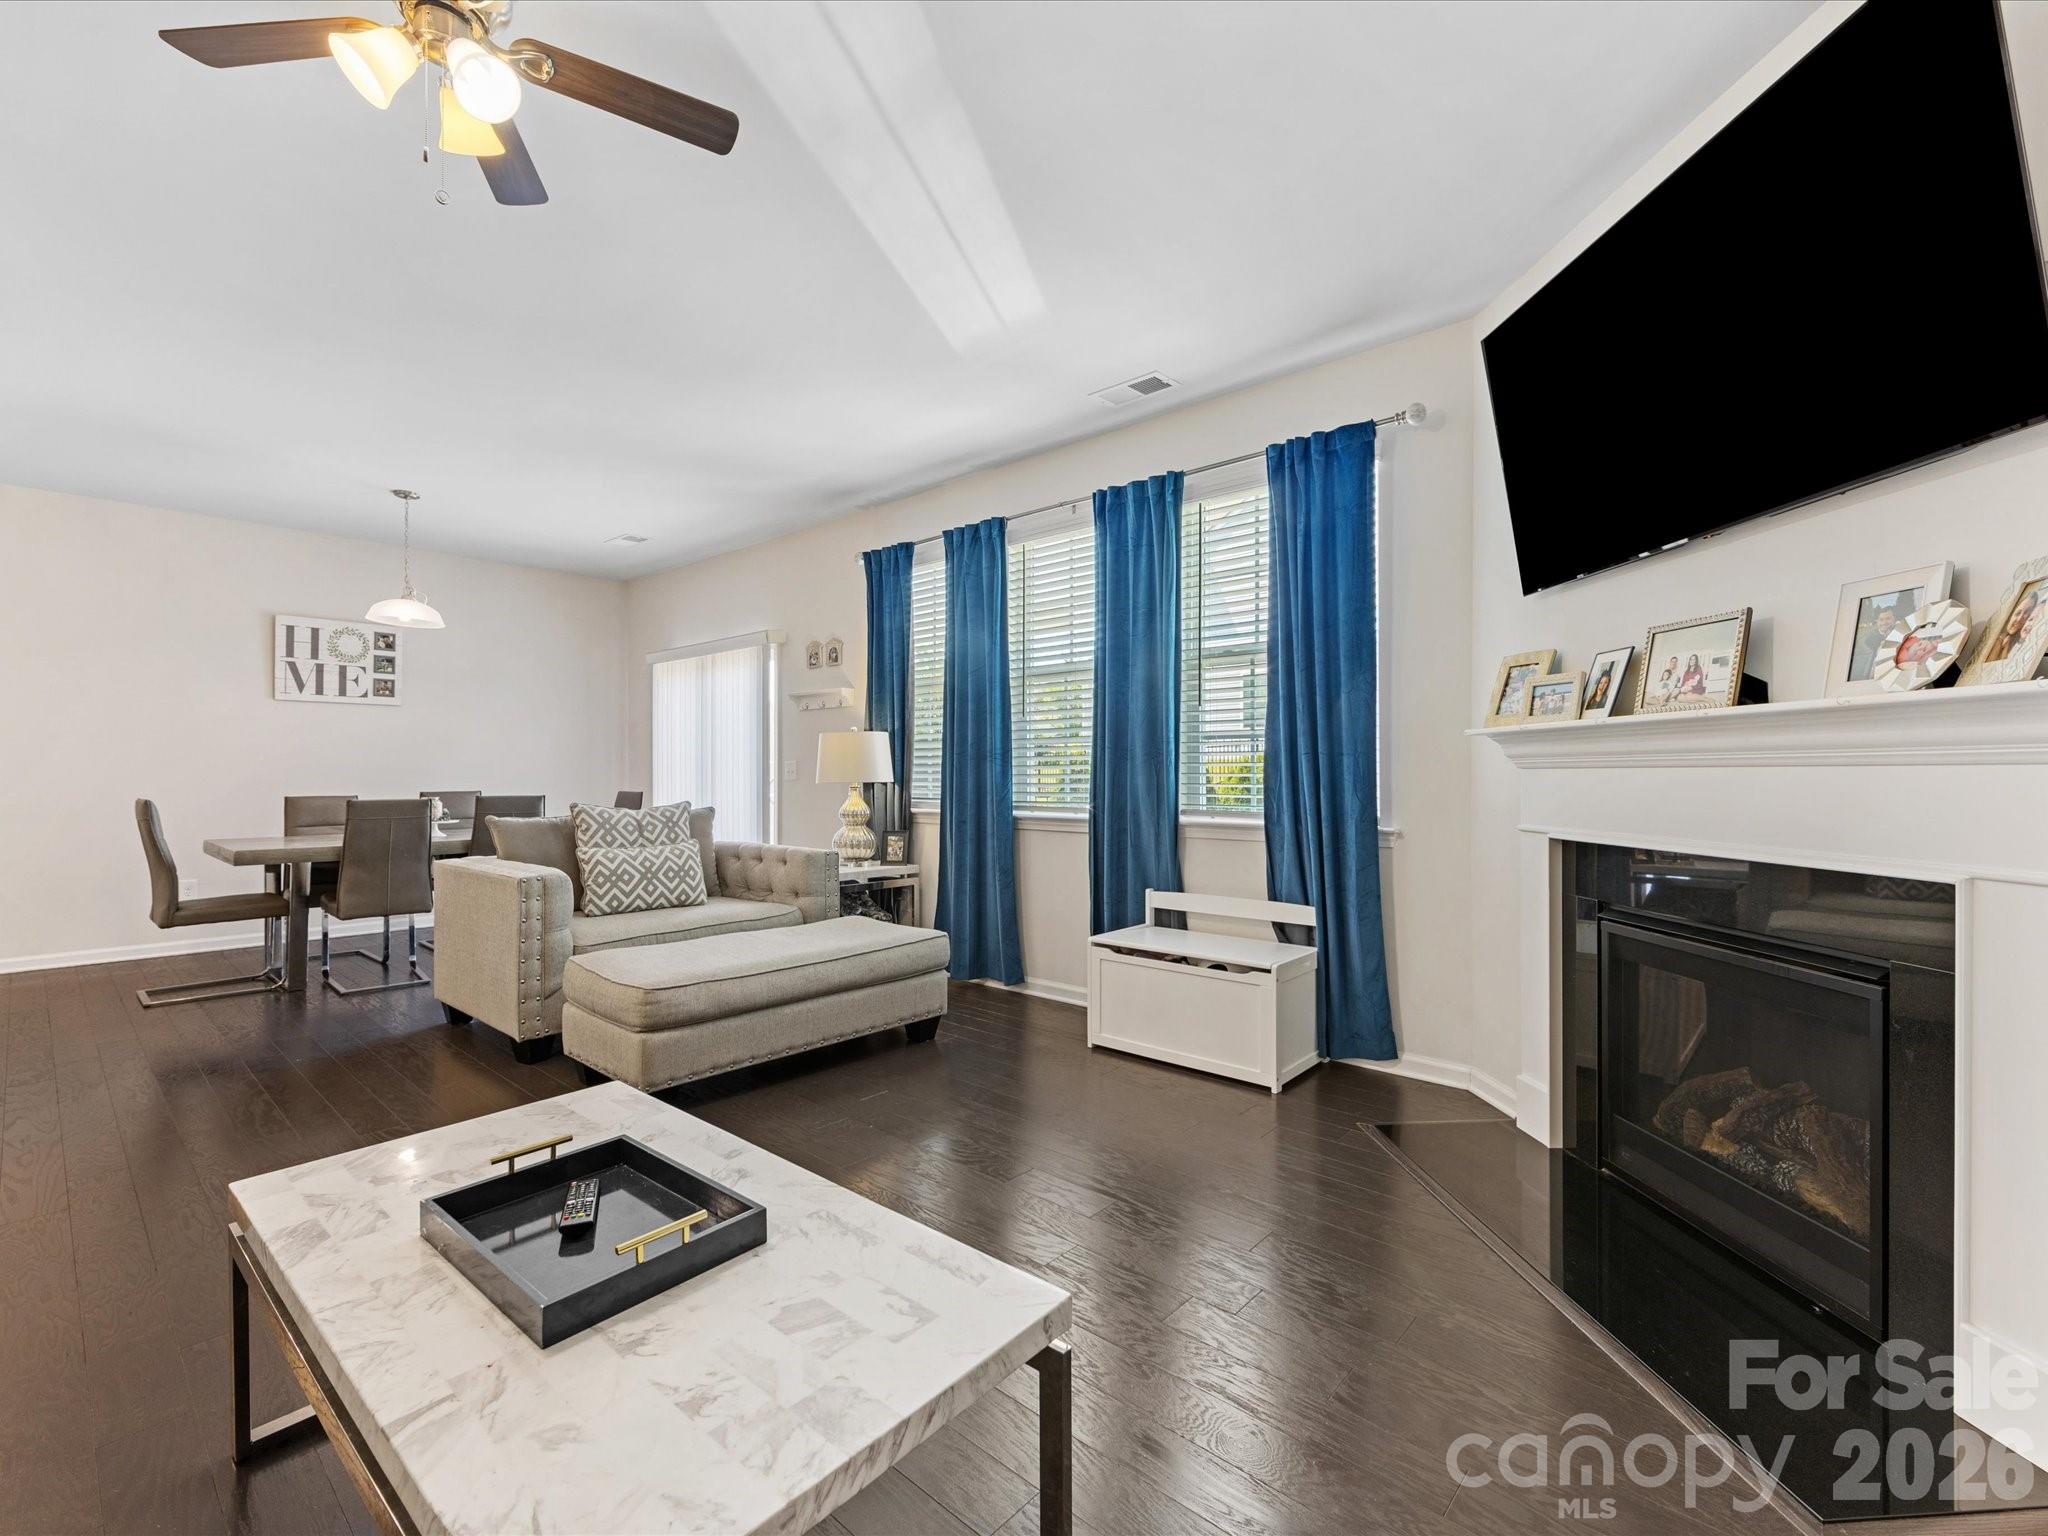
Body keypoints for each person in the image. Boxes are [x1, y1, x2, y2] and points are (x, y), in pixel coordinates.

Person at [1985, 586, 2042, 663]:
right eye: (2018, 613)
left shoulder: (2020, 643)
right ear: (2010, 613)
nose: (2019, 619)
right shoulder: (1993, 639)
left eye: (2026, 614)